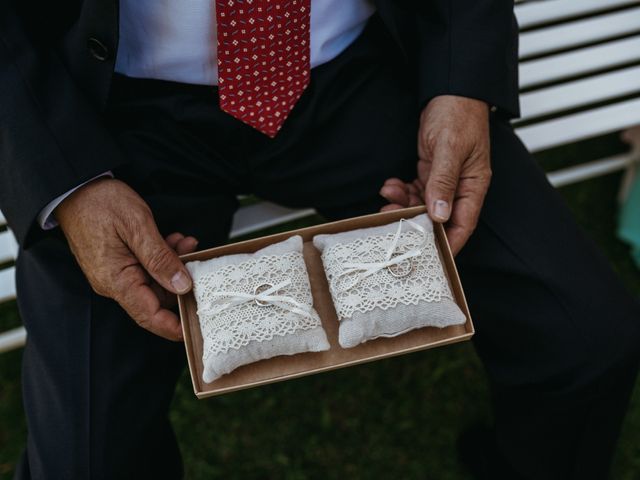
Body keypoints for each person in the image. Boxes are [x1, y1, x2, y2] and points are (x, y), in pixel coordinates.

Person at [1, 0, 639, 478]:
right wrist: (68, 183)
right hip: (109, 111)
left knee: (586, 335)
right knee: (83, 462)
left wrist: (461, 77)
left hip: (357, 67)